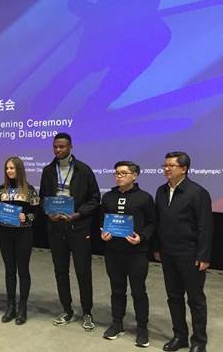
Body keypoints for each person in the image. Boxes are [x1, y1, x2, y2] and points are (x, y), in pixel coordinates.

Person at [39, 132, 100, 331]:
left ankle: (87, 312)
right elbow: (43, 197)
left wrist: (78, 214)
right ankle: (66, 309)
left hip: (78, 226)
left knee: (83, 271)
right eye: (55, 146)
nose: (58, 150)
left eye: (62, 146)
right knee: (60, 270)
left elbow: (95, 198)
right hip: (56, 227)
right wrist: (48, 213)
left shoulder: (84, 170)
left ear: (70, 147)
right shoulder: (48, 170)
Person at [154, 152, 213, 352]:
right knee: (174, 297)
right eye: (165, 165)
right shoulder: (161, 191)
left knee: (195, 300)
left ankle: (199, 341)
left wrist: (203, 256)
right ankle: (180, 336)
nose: (166, 169)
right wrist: (157, 247)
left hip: (190, 254)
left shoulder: (197, 192)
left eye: (171, 165)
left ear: (184, 169)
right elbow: (159, 222)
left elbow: (205, 227)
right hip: (168, 253)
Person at [100, 161, 156, 347]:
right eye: (117, 173)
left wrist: (142, 237)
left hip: (137, 253)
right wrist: (103, 233)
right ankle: (117, 324)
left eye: (124, 173)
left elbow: (152, 222)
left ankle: (142, 328)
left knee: (138, 291)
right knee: (117, 290)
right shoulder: (108, 197)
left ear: (135, 176)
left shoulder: (145, 198)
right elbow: (102, 220)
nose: (119, 176)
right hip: (113, 252)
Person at [0, 156, 39, 325]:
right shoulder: (0, 190)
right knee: (9, 270)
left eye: (12, 168)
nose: (9, 171)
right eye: (7, 168)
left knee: (23, 270)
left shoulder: (29, 189)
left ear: (19, 170)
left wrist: (26, 217)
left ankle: (22, 307)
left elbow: (37, 212)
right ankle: (10, 306)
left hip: (23, 234)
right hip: (5, 233)